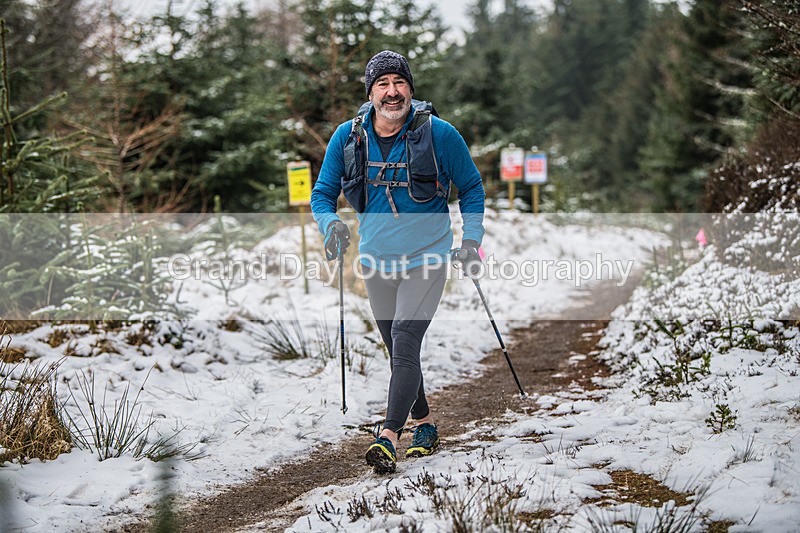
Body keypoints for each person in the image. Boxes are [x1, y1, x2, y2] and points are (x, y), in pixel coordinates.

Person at [310, 50, 485, 474]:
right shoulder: (347, 138)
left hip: (428, 258)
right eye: (383, 85)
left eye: (400, 83)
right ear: (370, 93)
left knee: (405, 339)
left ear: (411, 88)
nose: (393, 92)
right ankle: (423, 424)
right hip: (375, 262)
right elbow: (322, 194)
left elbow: (472, 188)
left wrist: (472, 240)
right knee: (399, 351)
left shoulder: (440, 134)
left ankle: (388, 435)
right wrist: (331, 225)